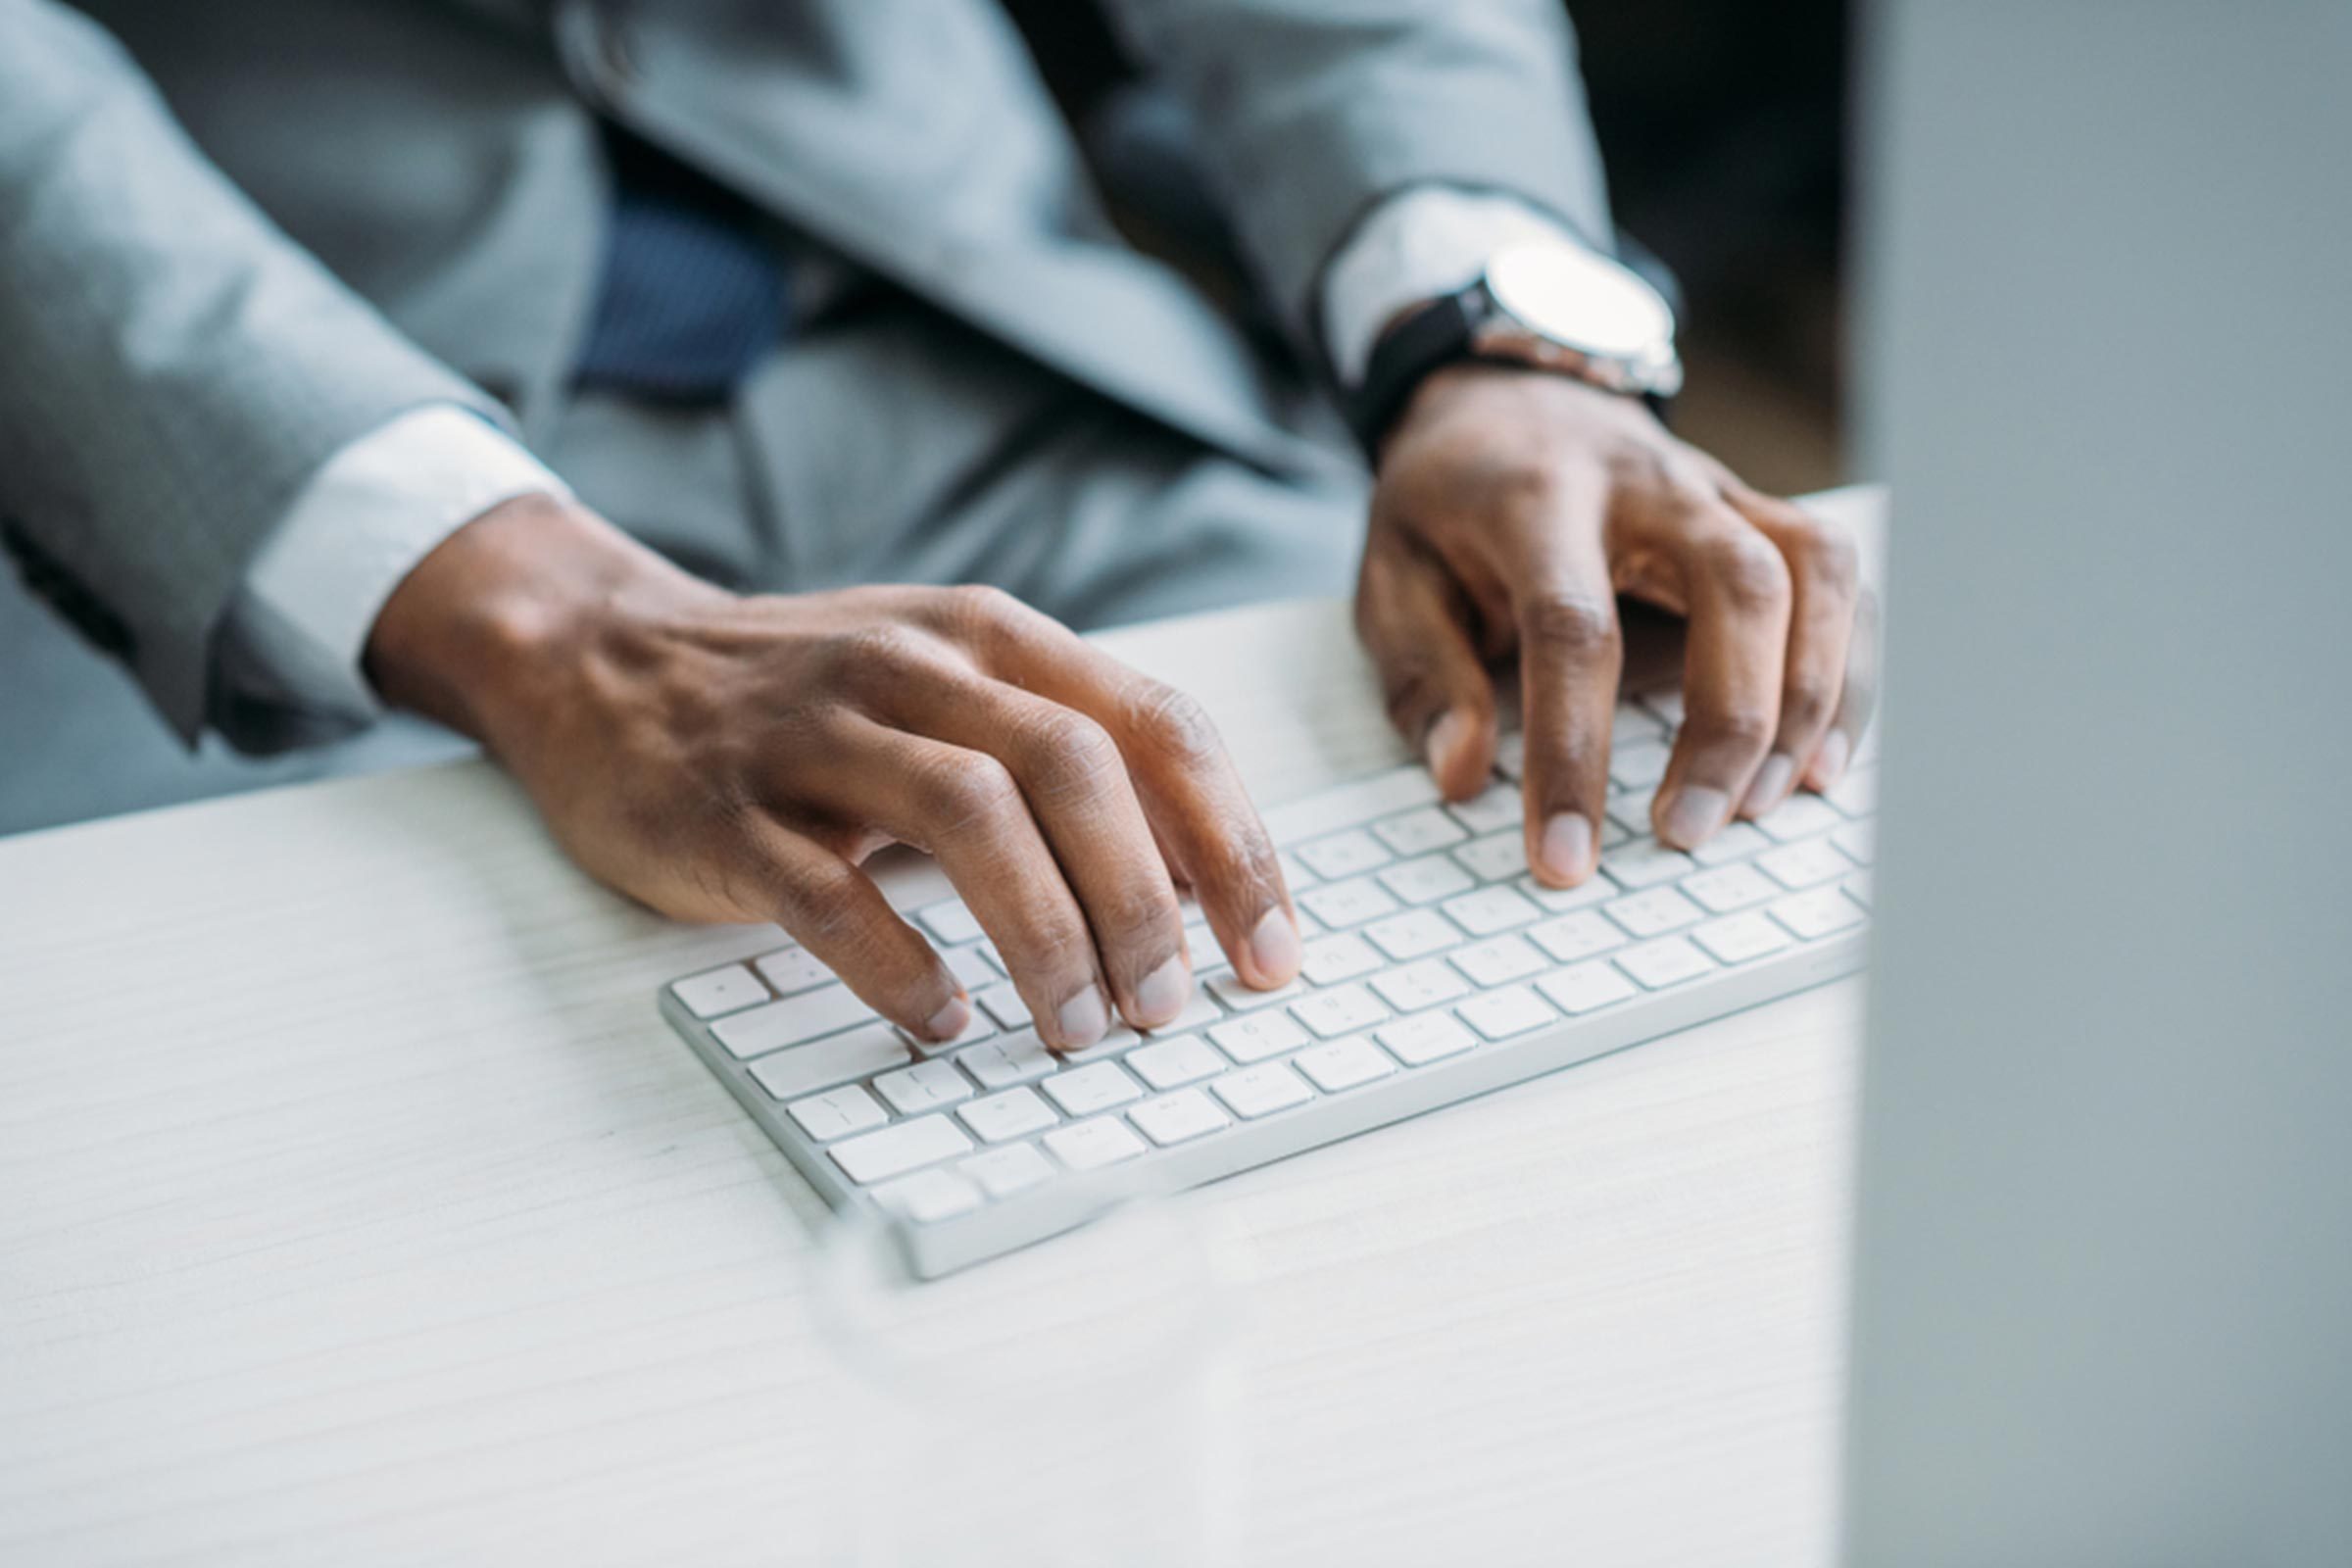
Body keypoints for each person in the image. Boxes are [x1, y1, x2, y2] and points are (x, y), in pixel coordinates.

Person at [0, 0, 1872, 1055]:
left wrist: (1492, 337)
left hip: (997, 366)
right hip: (225, 487)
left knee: (1655, 926)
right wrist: (530, 610)